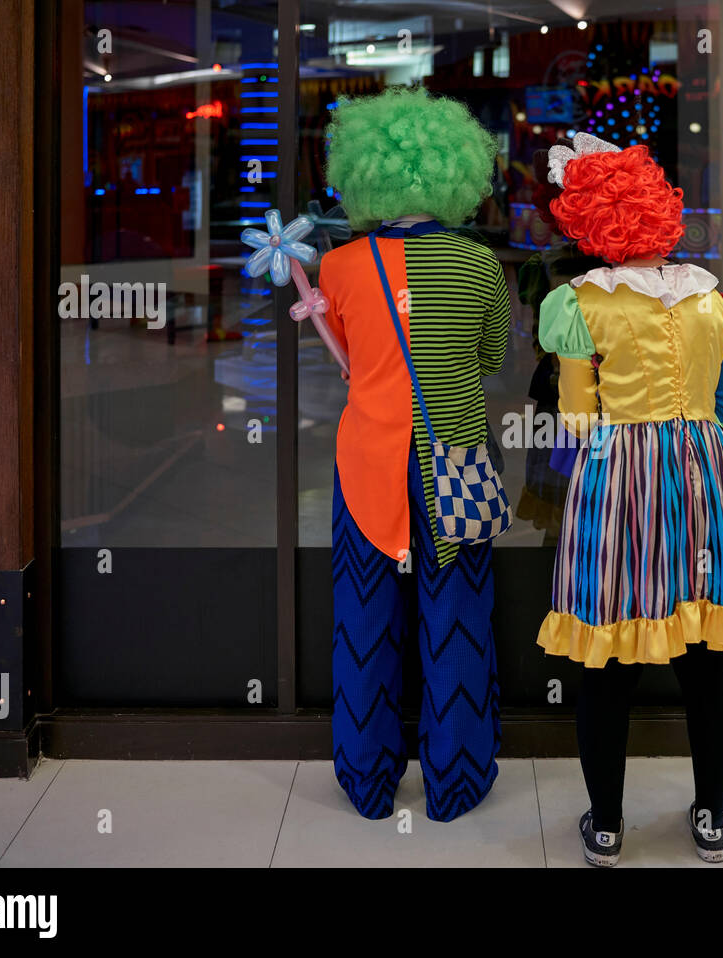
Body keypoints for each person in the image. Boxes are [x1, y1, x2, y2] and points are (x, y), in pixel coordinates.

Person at [534, 133, 723, 865]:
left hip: (618, 482)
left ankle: (606, 828)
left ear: (588, 222)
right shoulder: (711, 298)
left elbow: (577, 420)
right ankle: (711, 818)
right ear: (657, 210)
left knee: (606, 661)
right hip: (706, 479)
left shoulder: (574, 304)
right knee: (707, 656)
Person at [320, 88, 510, 823]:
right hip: (455, 457)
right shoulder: (478, 264)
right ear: (455, 174)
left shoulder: (339, 267)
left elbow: (348, 356)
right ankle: (456, 782)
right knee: (457, 615)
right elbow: (491, 357)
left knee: (363, 619)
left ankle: (366, 784)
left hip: (368, 461)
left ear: (363, 173)